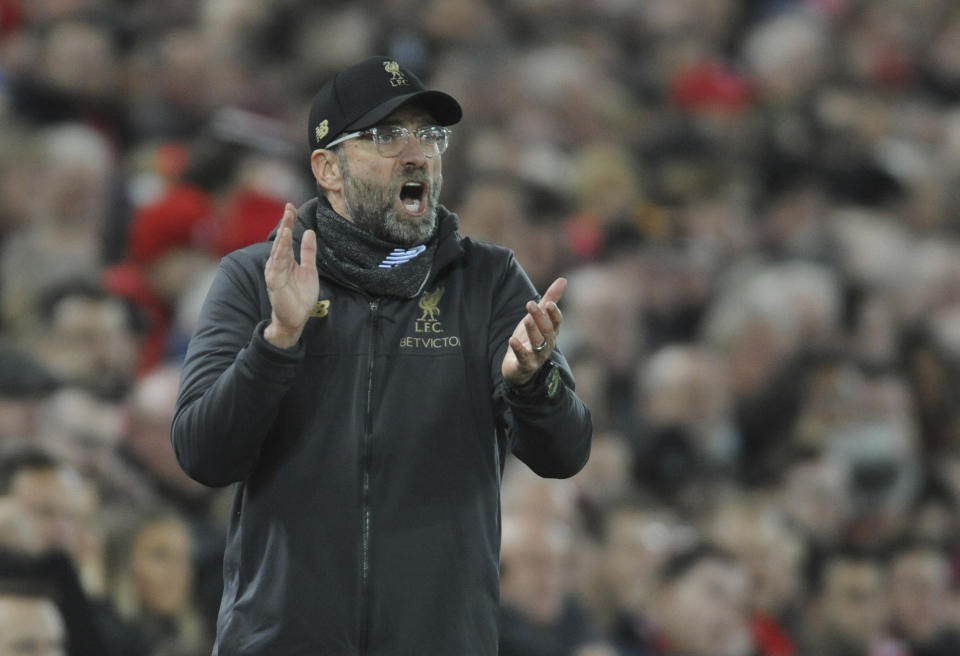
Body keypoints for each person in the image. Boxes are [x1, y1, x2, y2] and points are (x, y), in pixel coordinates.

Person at [171, 56, 592, 654]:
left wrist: (534, 383)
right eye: (387, 136)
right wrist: (278, 343)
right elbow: (203, 454)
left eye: (429, 135)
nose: (417, 153)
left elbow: (566, 453)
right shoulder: (256, 278)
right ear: (328, 168)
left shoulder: (489, 281)